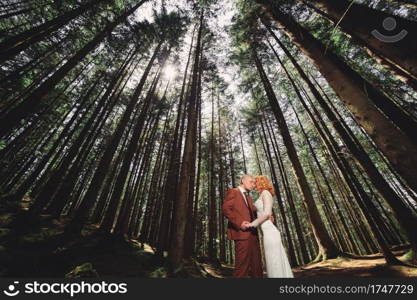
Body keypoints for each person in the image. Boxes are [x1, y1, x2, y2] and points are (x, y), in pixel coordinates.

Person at [222, 174, 273, 278]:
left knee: (257, 266)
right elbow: (226, 209)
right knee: (242, 267)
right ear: (243, 181)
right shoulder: (233, 192)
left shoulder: (249, 197)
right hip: (241, 235)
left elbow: (256, 213)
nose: (253, 185)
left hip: (254, 235)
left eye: (254, 183)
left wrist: (268, 216)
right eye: (251, 182)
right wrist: (239, 223)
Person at [248, 175, 294, 278]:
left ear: (261, 183)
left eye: (256, 182)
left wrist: (252, 224)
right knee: (272, 261)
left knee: (274, 261)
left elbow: (267, 213)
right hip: (266, 231)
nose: (254, 185)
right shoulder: (262, 195)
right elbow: (263, 212)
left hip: (270, 232)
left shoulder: (266, 193)